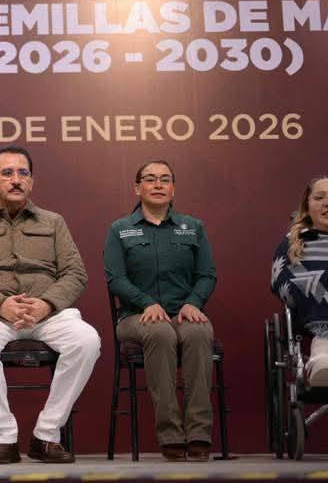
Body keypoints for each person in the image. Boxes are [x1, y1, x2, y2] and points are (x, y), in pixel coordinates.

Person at [0, 146, 100, 464]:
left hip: (48, 314)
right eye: (7, 173)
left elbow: (76, 274)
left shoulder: (54, 222)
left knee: (87, 340)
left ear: (32, 181)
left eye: (23, 173)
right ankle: (3, 437)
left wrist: (47, 303)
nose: (16, 180)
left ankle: (46, 435)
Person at [104, 160, 217, 462]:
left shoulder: (193, 227)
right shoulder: (120, 229)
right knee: (160, 332)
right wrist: (146, 303)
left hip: (183, 313)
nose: (157, 185)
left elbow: (207, 275)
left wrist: (194, 302)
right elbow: (116, 279)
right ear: (137, 187)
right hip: (135, 317)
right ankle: (170, 434)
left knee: (199, 332)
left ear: (173, 188)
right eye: (150, 179)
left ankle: (199, 432)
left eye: (165, 179)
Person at [272, 175, 328, 388]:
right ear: (307, 207)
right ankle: (322, 361)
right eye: (319, 197)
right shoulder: (294, 242)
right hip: (320, 319)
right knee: (326, 340)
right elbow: (281, 282)